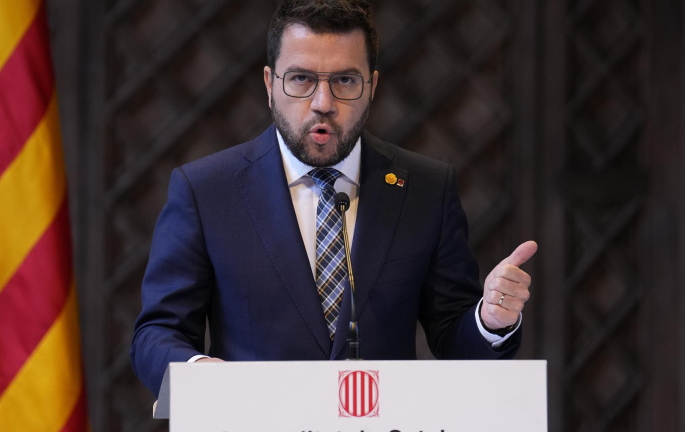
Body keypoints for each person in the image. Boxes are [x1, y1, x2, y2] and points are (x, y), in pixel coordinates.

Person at [130, 0, 537, 397]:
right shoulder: (206, 190)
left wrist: (489, 321)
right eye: (301, 79)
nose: (323, 103)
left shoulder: (425, 188)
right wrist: (201, 375)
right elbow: (157, 333)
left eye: (344, 81)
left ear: (372, 87)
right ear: (270, 84)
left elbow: (452, 338)